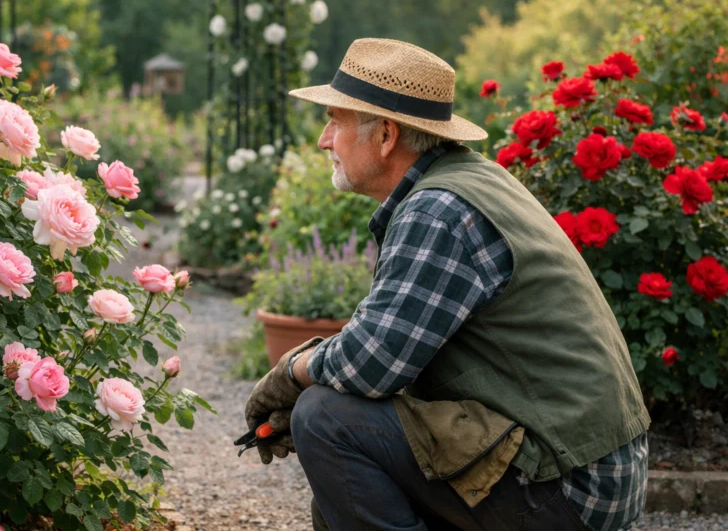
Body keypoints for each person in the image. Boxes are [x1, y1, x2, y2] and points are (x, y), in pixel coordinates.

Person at [243, 38, 650, 531]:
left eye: (335, 121)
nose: (324, 140)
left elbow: (372, 364)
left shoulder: (437, 210)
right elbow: (389, 346)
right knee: (339, 497)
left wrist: (292, 370)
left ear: (387, 135)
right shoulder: (468, 181)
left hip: (572, 489)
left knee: (326, 419)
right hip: (584, 468)